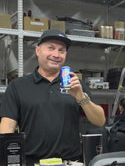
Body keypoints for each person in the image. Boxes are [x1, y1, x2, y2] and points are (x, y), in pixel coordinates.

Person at [0, 29, 106, 165]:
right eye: (51, 48)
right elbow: (7, 127)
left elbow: (100, 121)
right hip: (32, 162)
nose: (56, 54)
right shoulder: (18, 86)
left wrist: (81, 97)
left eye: (61, 50)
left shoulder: (75, 84)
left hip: (71, 162)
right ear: (38, 50)